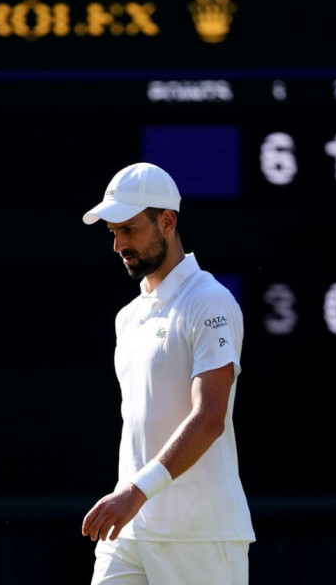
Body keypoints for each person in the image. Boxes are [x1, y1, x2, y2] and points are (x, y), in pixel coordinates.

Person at [80, 162, 255, 584]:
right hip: (130, 532)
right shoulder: (128, 318)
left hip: (200, 537)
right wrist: (132, 499)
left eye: (129, 229)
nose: (119, 244)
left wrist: (136, 493)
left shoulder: (210, 301)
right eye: (113, 232)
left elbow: (210, 416)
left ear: (168, 221)